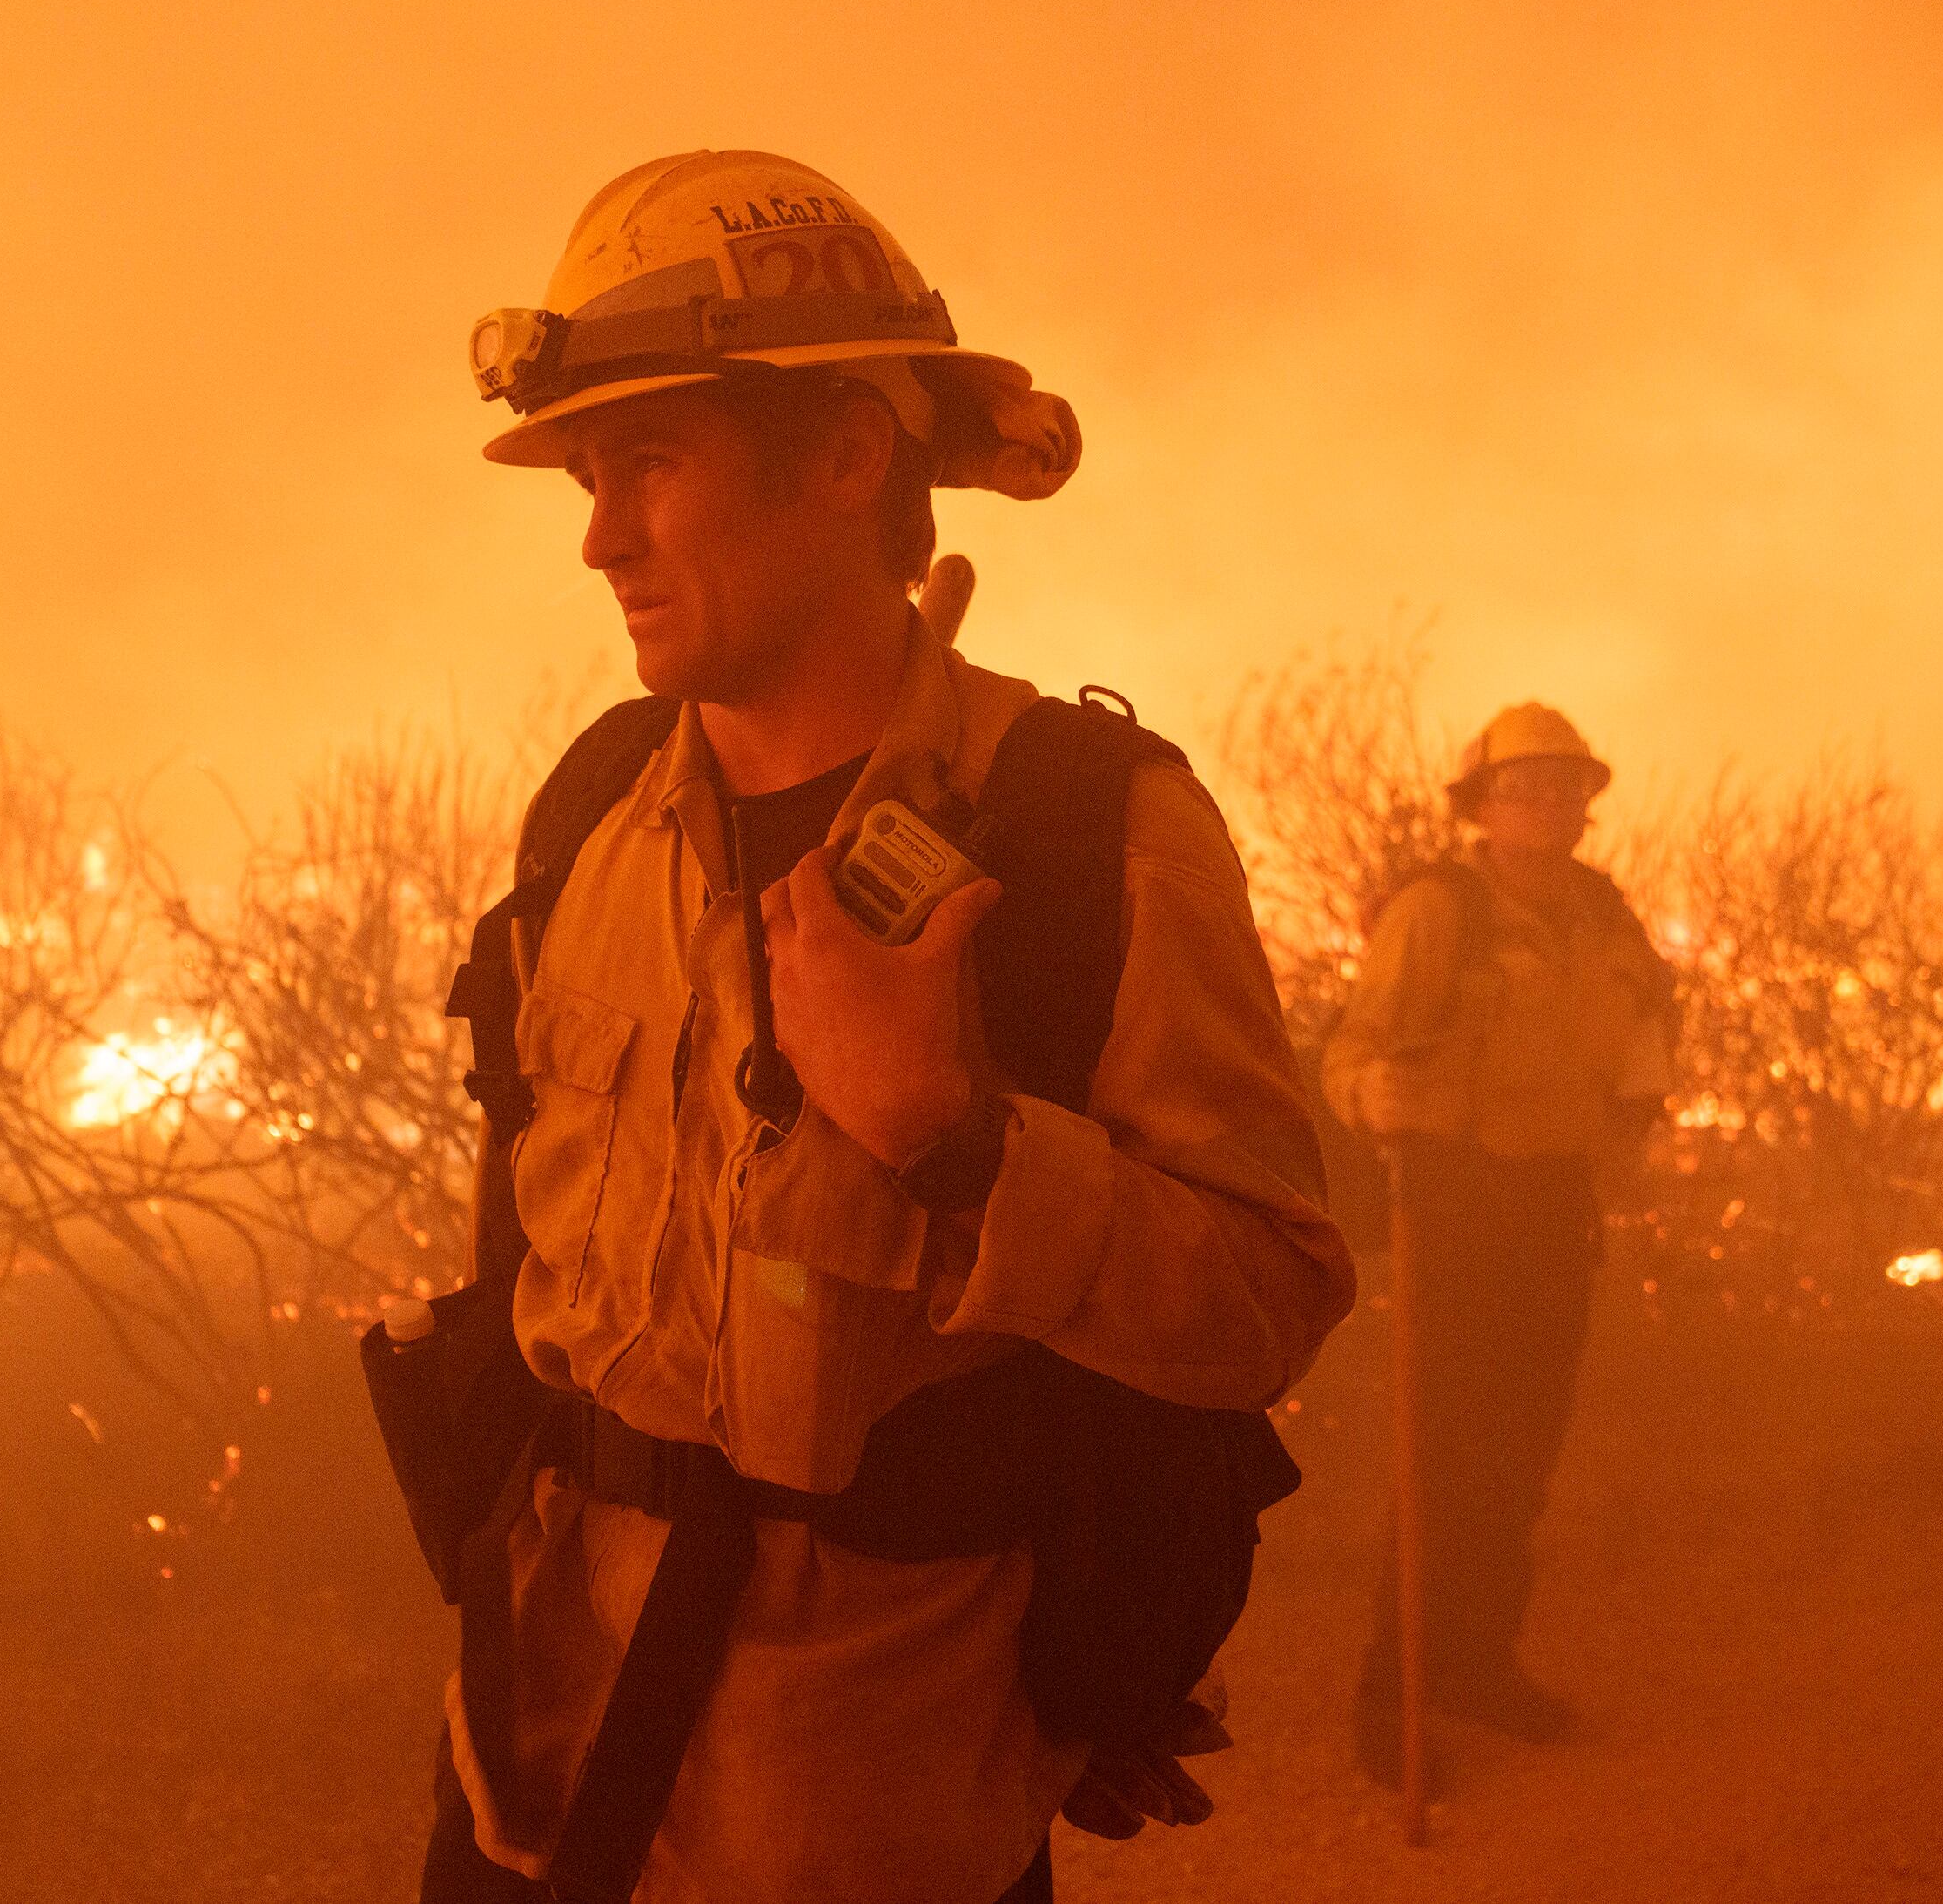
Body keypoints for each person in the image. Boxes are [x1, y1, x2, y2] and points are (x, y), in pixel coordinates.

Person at [422, 150, 1354, 1901]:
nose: (600, 536)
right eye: (588, 477)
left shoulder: (1088, 831)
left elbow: (1270, 1290)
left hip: (857, 1813)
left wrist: (959, 1138)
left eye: (653, 462)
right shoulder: (594, 813)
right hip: (532, 1767)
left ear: (850, 454)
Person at [1320, 703, 1674, 1785]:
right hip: (1455, 1202)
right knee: (1445, 1453)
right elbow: (1354, 1049)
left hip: (1555, 1207)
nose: (1551, 804)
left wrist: (1634, 1119)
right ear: (1482, 806)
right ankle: (1392, 1691)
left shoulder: (1604, 914)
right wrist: (1370, 1092)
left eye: (1568, 786)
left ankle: (1478, 1660)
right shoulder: (1438, 911)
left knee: (1522, 1456)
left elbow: (1648, 1026)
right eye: (1527, 787)